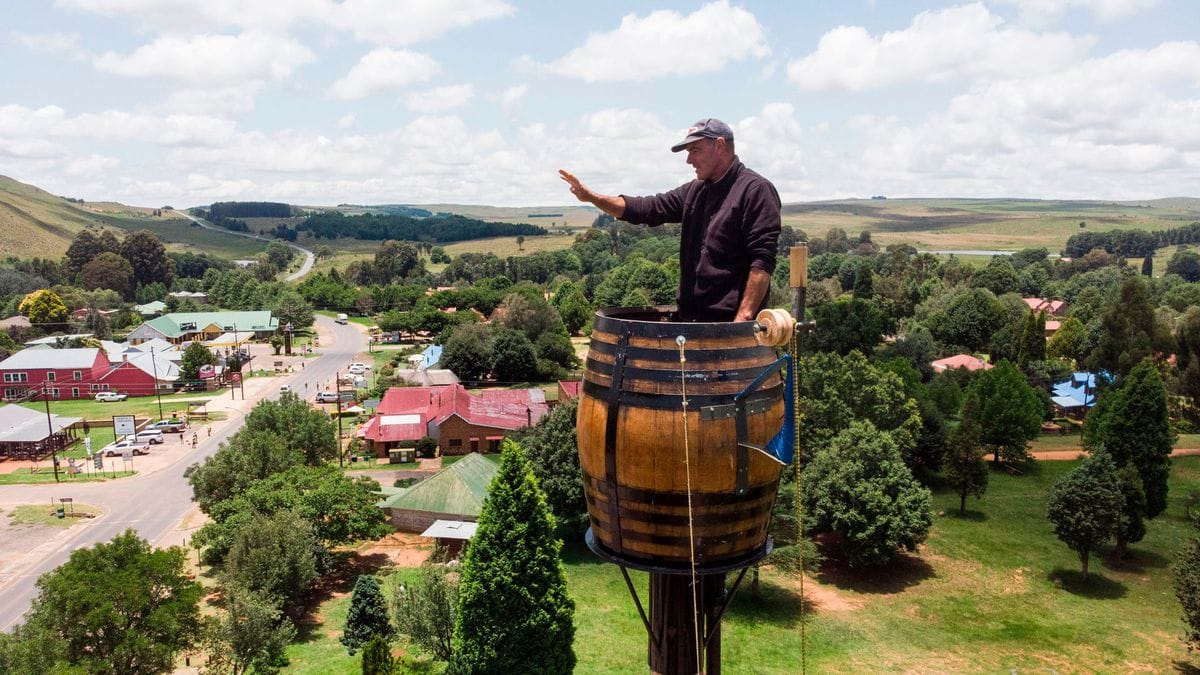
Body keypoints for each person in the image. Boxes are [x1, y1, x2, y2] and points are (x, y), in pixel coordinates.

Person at [560, 117, 781, 322]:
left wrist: (743, 319)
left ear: (720, 145)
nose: (688, 160)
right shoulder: (695, 191)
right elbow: (647, 208)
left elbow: (762, 261)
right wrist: (591, 197)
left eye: (694, 150)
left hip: (731, 326)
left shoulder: (755, 190)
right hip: (690, 322)